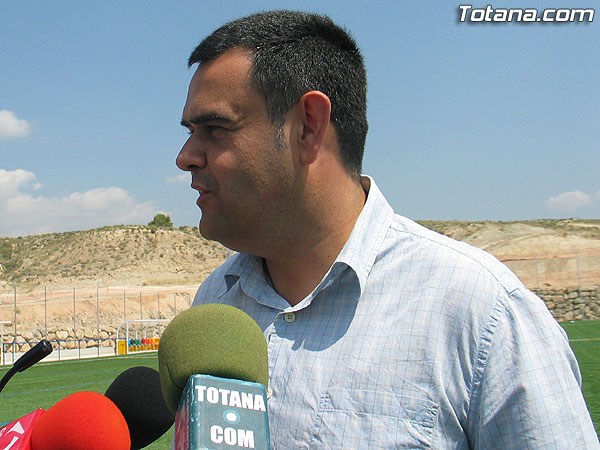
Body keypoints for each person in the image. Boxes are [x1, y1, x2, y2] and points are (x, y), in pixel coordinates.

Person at [176, 10, 599, 449]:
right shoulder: (215, 304)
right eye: (191, 132)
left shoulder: (482, 314)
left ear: (309, 126)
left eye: (214, 128)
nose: (185, 156)